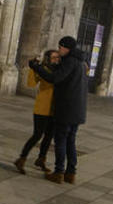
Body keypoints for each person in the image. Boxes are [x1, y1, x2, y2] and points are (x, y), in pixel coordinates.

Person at [29, 36, 88, 184]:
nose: (59, 49)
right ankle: (70, 173)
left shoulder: (70, 61)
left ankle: (59, 172)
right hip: (77, 109)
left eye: (60, 47)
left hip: (66, 109)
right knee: (70, 141)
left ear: (66, 48)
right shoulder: (80, 62)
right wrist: (43, 66)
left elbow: (55, 78)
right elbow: (62, 72)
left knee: (61, 140)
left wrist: (36, 68)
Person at [14, 49, 59, 173]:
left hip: (54, 109)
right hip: (42, 108)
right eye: (53, 57)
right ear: (48, 58)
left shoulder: (59, 70)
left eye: (57, 57)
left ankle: (41, 159)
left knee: (49, 136)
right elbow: (31, 84)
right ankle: (21, 158)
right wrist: (32, 69)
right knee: (37, 135)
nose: (56, 59)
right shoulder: (43, 69)